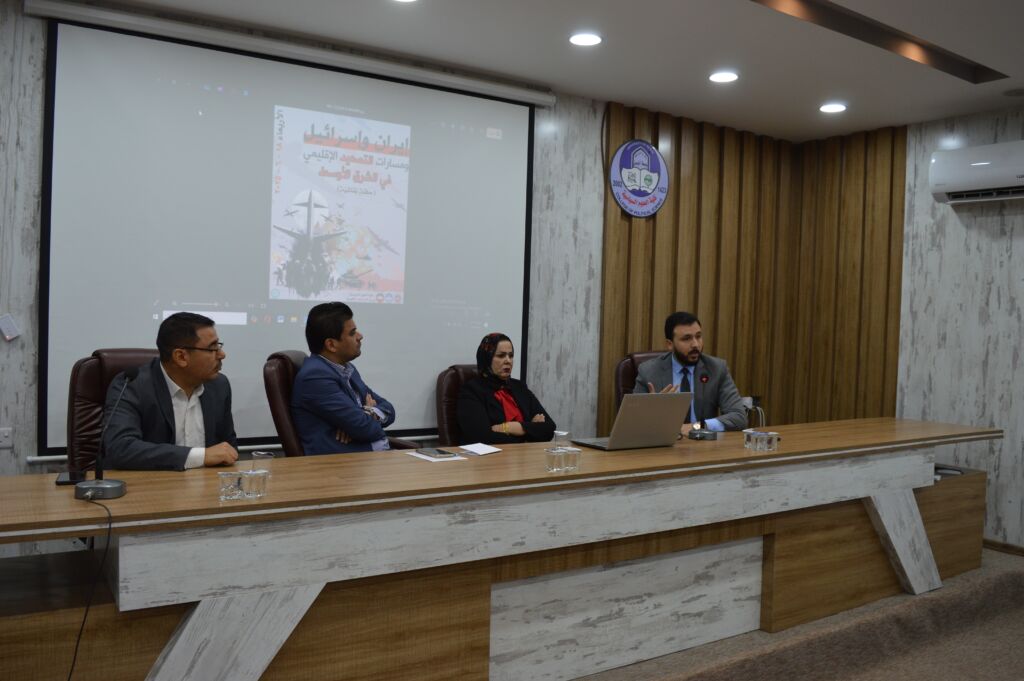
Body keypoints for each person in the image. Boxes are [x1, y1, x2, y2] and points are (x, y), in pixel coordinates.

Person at [102, 312, 239, 471]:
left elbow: (228, 448)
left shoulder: (219, 386)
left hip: (206, 484)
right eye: (212, 348)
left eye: (219, 346)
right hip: (153, 484)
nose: (222, 354)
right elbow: (121, 448)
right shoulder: (132, 385)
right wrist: (200, 456)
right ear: (181, 357)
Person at [291, 302, 396, 454]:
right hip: (345, 462)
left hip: (371, 457)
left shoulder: (347, 369)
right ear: (331, 345)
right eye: (352, 333)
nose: (360, 336)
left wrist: (367, 413)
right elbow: (364, 428)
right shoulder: (315, 377)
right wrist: (361, 422)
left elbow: (389, 409)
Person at [633, 311, 747, 433]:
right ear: (670, 344)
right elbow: (632, 422)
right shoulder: (649, 371)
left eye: (698, 336)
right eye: (686, 339)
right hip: (664, 442)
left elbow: (739, 417)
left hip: (703, 442)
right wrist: (652, 410)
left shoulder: (716, 369)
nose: (695, 344)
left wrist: (698, 426)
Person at [456, 333, 556, 445]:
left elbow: (549, 428)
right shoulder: (471, 391)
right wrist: (530, 430)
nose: (508, 361)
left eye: (511, 355)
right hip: (493, 456)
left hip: (523, 455)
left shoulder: (519, 387)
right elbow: (482, 438)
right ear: (487, 358)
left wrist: (509, 427)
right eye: (501, 356)